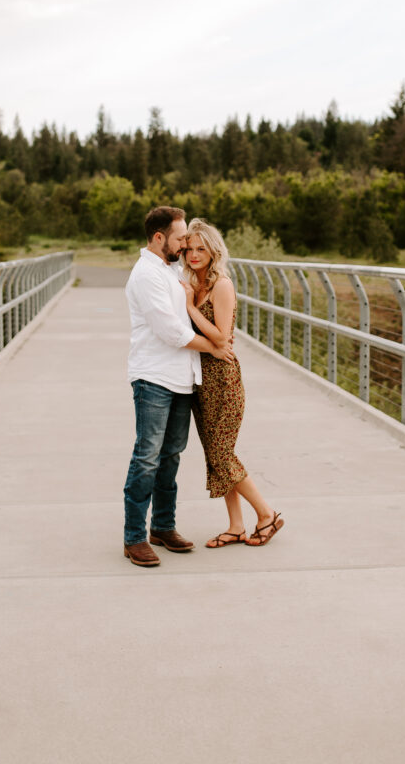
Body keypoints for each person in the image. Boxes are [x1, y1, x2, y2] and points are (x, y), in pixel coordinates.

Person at [123, 205, 235, 568]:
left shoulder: (173, 269)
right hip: (153, 378)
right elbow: (172, 331)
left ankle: (163, 527)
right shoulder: (146, 275)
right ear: (159, 238)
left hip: (182, 380)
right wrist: (216, 347)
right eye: (180, 237)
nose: (186, 243)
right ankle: (134, 537)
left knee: (171, 456)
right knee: (147, 457)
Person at [182, 218, 284, 548]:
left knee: (223, 455)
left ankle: (267, 514)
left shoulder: (220, 285)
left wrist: (188, 308)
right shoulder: (190, 284)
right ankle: (236, 526)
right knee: (216, 456)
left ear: (213, 252)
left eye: (201, 249)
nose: (194, 255)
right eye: (190, 248)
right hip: (200, 382)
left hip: (223, 382)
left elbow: (222, 337)